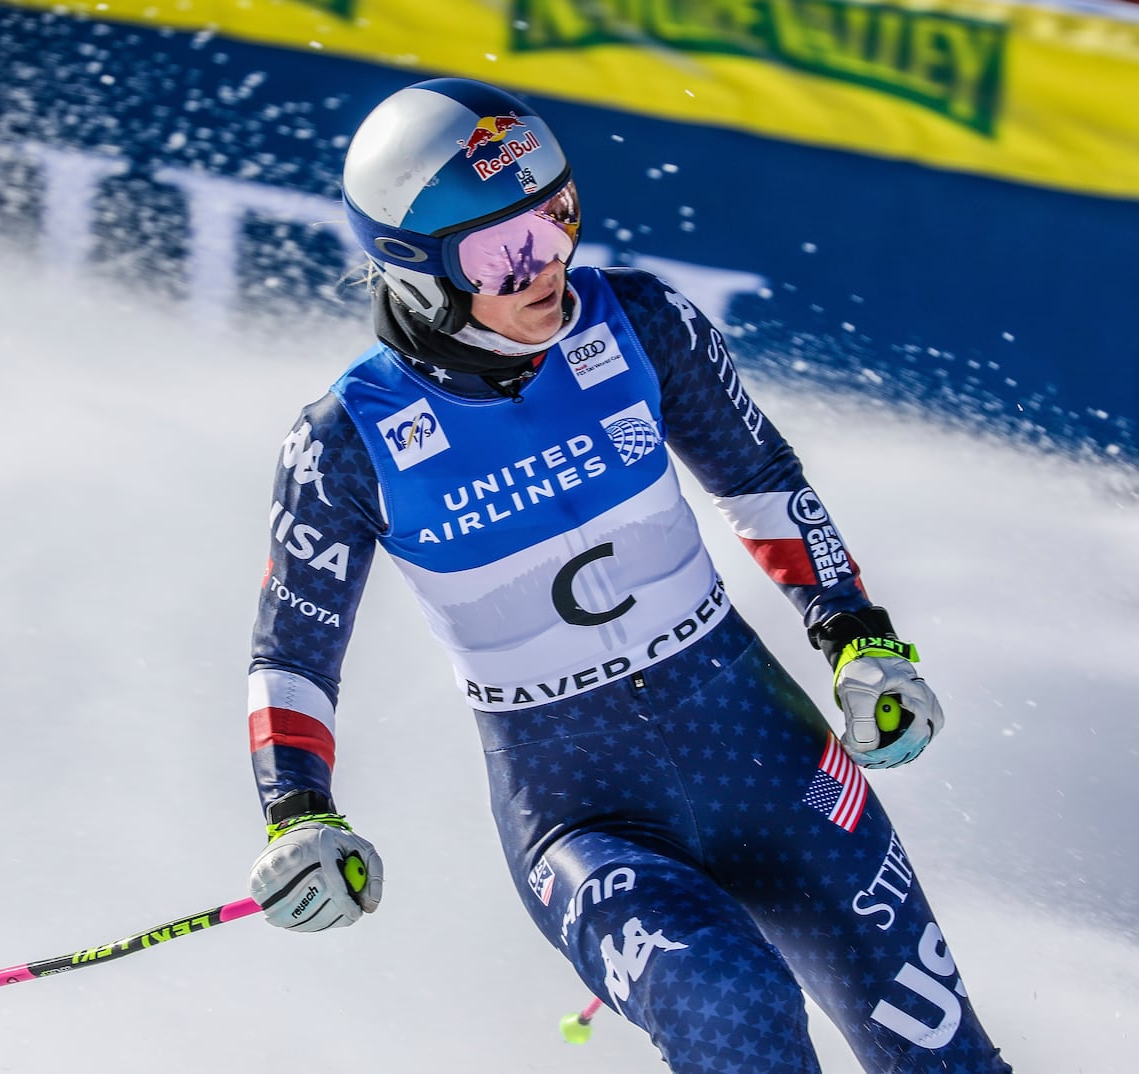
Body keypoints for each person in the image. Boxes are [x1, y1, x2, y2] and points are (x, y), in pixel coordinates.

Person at [242, 77, 1011, 1072]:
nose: (545, 266)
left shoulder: (639, 322)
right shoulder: (347, 440)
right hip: (586, 817)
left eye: (556, 216)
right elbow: (291, 653)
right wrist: (298, 815)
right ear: (415, 268)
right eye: (501, 251)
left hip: (767, 755)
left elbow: (760, 481)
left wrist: (858, 638)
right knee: (735, 1006)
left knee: (942, 1060)